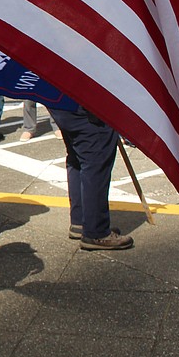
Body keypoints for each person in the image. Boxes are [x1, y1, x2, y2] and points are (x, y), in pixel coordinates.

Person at [50, 107, 133, 250]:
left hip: (63, 105)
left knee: (76, 160)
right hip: (87, 110)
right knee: (95, 164)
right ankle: (96, 232)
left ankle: (81, 221)